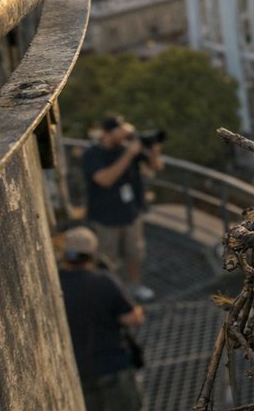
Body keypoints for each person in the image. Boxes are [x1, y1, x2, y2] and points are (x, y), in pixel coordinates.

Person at [58, 226, 145, 411]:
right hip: (112, 367)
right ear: (92, 253)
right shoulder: (104, 281)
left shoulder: (55, 284)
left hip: (78, 373)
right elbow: (132, 319)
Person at [83, 115, 164, 302]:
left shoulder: (128, 148)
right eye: (120, 132)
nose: (125, 137)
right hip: (105, 216)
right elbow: (104, 179)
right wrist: (129, 155)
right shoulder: (93, 154)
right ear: (107, 134)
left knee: (134, 253)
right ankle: (111, 293)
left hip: (131, 213)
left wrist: (153, 150)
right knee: (107, 258)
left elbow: (157, 167)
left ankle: (135, 286)